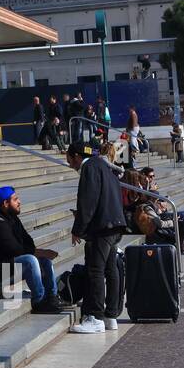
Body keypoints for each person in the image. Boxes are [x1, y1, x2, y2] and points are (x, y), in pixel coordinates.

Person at [66, 141, 126, 333]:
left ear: (76, 156)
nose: (70, 165)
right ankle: (111, 316)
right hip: (115, 224)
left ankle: (95, 316)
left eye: (69, 160)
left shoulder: (89, 168)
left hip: (102, 227)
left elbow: (88, 201)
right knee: (111, 269)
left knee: (95, 270)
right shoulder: (104, 165)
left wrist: (78, 228)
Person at [0, 186, 63, 314]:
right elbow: (15, 250)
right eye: (15, 199)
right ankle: (39, 301)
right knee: (30, 260)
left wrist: (38, 253)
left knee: (44, 261)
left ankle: (51, 297)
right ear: (5, 203)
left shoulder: (12, 217)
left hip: (7, 266)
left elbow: (28, 241)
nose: (19, 202)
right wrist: (39, 252)